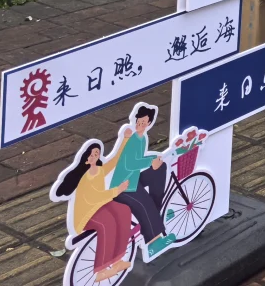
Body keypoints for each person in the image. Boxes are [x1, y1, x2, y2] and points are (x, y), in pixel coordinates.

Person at [53, 142, 134, 282]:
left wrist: (125, 140)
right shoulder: (85, 177)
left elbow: (114, 160)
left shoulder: (100, 169)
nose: (95, 155)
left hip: (101, 205)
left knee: (124, 210)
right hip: (86, 213)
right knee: (107, 223)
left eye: (97, 153)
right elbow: (93, 197)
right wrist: (117, 190)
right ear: (86, 159)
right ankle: (101, 269)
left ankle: (118, 259)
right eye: (92, 154)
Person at [109, 105, 174, 256]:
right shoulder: (132, 139)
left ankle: (156, 215)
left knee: (160, 169)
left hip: (134, 179)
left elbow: (140, 159)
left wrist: (155, 159)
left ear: (149, 123)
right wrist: (150, 162)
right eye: (139, 121)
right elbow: (130, 164)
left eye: (144, 122)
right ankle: (153, 242)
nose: (141, 125)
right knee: (145, 203)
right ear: (135, 120)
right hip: (123, 185)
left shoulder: (142, 138)